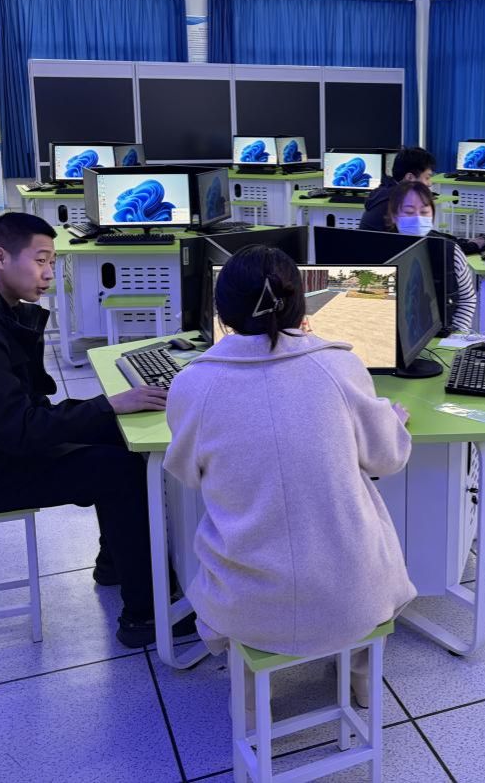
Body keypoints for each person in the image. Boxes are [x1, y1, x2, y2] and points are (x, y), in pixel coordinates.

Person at [0, 213, 185, 648]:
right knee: (117, 469)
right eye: (41, 261)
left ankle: (117, 565)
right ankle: (147, 616)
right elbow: (20, 430)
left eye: (53, 262)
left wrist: (105, 412)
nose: (48, 274)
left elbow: (18, 411)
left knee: (113, 435)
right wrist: (107, 405)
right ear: (0, 257)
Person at [163, 246, 415, 699]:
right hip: (355, 599)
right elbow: (388, 459)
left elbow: (188, 475)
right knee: (365, 537)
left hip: (245, 605)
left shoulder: (193, 384)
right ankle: (360, 677)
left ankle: (250, 700)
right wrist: (392, 422)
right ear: (302, 305)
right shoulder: (340, 365)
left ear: (221, 312)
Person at [386, 180, 478, 333]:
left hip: (442, 336)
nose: (417, 218)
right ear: (394, 216)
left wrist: (456, 333)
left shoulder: (449, 251)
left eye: (424, 212)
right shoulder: (379, 250)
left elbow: (467, 299)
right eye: (409, 212)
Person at [359, 146, 436, 232]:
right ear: (410, 178)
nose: (429, 183)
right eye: (427, 178)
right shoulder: (394, 201)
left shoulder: (387, 192)